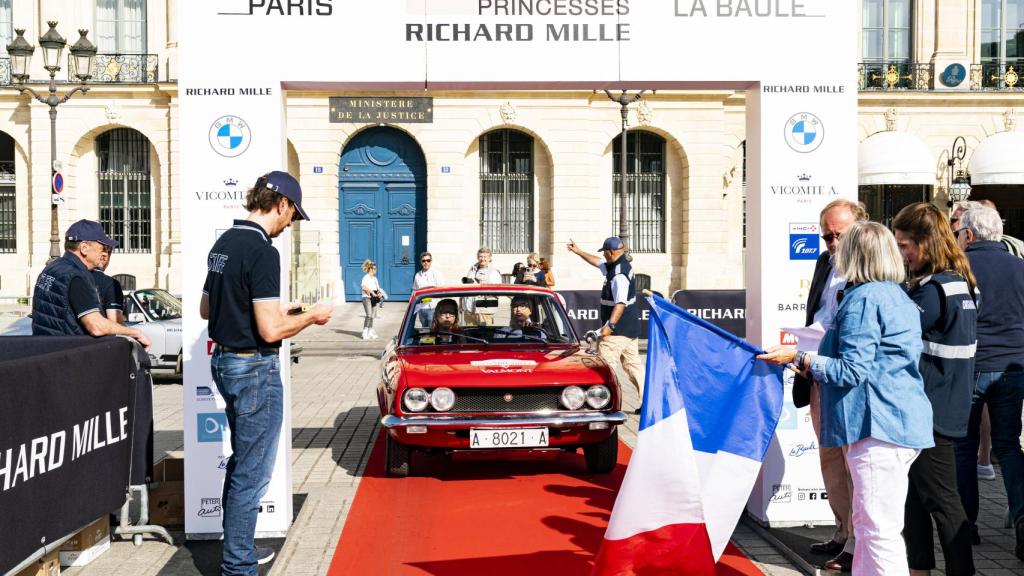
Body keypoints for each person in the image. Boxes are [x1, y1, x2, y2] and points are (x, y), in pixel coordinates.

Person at [759, 221, 934, 576]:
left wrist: (798, 357)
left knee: (877, 530)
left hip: (877, 425)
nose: (834, 253)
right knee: (872, 528)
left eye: (843, 246)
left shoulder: (864, 299)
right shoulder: (893, 293)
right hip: (890, 422)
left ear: (855, 254)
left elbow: (851, 370)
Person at [199, 171, 332, 575]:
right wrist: (310, 315)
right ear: (282, 205)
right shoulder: (262, 250)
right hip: (253, 366)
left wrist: (280, 310)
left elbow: (207, 310)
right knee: (252, 475)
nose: (290, 224)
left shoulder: (224, 242)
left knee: (243, 465)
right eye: (292, 215)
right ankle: (238, 564)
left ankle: (238, 549)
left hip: (224, 360)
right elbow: (270, 331)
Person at [892, 202, 977, 576]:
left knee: (942, 501)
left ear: (926, 243)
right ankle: (919, 569)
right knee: (914, 497)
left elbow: (897, 337)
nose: (903, 254)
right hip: (943, 404)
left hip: (930, 408)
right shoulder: (959, 282)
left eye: (906, 245)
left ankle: (961, 570)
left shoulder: (932, 291)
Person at [793, 199, 868, 570]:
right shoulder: (824, 261)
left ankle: (857, 540)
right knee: (827, 455)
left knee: (850, 457)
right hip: (817, 369)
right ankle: (841, 529)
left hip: (849, 375)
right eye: (826, 235)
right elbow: (818, 312)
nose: (833, 242)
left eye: (840, 234)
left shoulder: (870, 268)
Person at [952, 205, 1024, 559]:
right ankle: (1023, 518)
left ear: (968, 234)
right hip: (1013, 367)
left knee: (963, 448)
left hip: (972, 366)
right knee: (1009, 446)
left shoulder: (960, 268)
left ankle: (967, 525)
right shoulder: (1020, 267)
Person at [31, 219, 150, 349]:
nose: (104, 253)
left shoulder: (54, 267)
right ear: (84, 248)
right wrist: (135, 333)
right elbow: (96, 326)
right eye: (101, 248)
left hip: (45, 351)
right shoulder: (75, 276)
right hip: (66, 356)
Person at [567, 236, 644, 412]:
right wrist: (578, 251)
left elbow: (620, 303)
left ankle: (603, 403)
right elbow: (598, 262)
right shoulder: (618, 264)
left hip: (617, 332)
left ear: (611, 252)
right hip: (630, 329)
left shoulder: (618, 275)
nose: (604, 256)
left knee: (605, 367)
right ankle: (648, 401)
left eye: (605, 252)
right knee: (634, 367)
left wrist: (610, 326)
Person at [464, 247, 501, 325]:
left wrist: (479, 286)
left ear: (489, 258)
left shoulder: (494, 272)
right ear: (477, 257)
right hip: (469, 310)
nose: (482, 259)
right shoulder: (473, 269)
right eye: (480, 256)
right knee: (469, 335)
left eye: (485, 257)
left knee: (485, 335)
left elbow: (498, 292)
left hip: (484, 311)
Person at [93, 243, 125, 324]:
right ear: (104, 257)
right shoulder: (111, 284)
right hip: (99, 335)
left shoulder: (75, 276)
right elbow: (116, 322)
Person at [412, 251, 444, 327]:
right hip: (421, 307)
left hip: (433, 307)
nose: (426, 262)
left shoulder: (436, 273)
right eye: (423, 261)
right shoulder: (418, 275)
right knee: (424, 330)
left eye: (428, 260)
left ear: (431, 261)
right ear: (421, 262)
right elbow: (414, 290)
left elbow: (441, 289)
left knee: (433, 330)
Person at [360, 260, 386, 340]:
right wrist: (371, 292)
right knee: (369, 315)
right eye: (374, 268)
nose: (375, 270)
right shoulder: (366, 277)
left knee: (373, 316)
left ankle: (370, 331)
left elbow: (377, 289)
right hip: (367, 298)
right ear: (370, 269)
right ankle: (364, 332)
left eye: (375, 268)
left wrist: (379, 294)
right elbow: (363, 287)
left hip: (374, 298)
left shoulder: (375, 279)